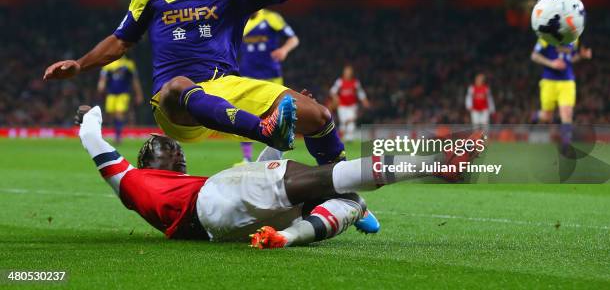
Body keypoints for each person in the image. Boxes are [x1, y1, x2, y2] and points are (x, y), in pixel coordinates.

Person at [44, 0, 373, 167]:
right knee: (178, 85)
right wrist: (80, 65)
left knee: (318, 116)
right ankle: (265, 130)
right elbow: (121, 40)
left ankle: (341, 190)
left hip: (228, 87)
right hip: (176, 104)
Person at [76, 105, 478, 248]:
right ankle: (436, 164)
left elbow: (257, 185)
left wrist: (279, 145)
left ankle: (290, 233)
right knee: (332, 179)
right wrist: (89, 113)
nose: (177, 155)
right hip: (215, 201)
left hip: (221, 227)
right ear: (150, 164)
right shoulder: (133, 182)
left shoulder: (168, 188)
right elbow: (94, 140)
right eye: (170, 152)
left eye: (178, 151)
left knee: (342, 197)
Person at [237, 8, 299, 163]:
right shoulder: (239, 19)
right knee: (243, 115)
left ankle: (277, 156)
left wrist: (284, 50)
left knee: (279, 116)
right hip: (247, 76)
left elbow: (293, 39)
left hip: (272, 75)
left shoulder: (271, 18)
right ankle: (246, 158)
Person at [531, 38, 592, 150]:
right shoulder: (546, 36)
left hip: (567, 81)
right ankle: (536, 115)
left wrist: (581, 56)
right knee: (547, 116)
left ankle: (566, 145)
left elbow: (570, 59)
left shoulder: (574, 37)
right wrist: (551, 63)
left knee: (567, 113)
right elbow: (534, 55)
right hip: (549, 81)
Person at [97, 55, 144, 143]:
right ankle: (116, 133)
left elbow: (134, 80)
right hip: (111, 94)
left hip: (123, 94)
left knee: (119, 113)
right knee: (111, 114)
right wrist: (101, 85)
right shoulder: (108, 64)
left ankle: (118, 137)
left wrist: (139, 94)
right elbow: (103, 78)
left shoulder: (128, 64)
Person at [329, 65, 370, 142]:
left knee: (351, 121)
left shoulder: (355, 82)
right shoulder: (340, 81)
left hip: (352, 106)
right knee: (343, 122)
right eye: (346, 72)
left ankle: (349, 139)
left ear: (351, 73)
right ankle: (342, 138)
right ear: (343, 73)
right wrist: (336, 98)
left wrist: (364, 100)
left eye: (349, 72)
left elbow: (360, 92)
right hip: (342, 106)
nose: (347, 74)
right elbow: (332, 91)